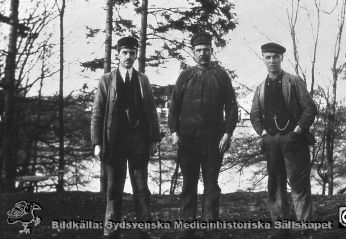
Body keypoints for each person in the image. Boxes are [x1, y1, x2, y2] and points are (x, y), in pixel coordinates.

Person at [168, 32, 238, 236]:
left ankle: (210, 228)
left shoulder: (221, 75)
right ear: (193, 52)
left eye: (206, 50)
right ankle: (187, 228)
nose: (202, 54)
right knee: (188, 182)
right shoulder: (186, 76)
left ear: (211, 50)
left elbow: (231, 107)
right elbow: (174, 107)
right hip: (187, 139)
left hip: (214, 139)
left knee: (211, 183)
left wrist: (227, 133)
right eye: (198, 50)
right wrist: (174, 132)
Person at [90, 36, 160, 239]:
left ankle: (145, 229)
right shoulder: (106, 80)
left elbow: (151, 111)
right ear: (117, 55)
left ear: (136, 55)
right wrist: (97, 142)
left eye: (132, 53)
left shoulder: (142, 80)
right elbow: (97, 112)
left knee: (141, 188)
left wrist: (154, 138)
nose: (128, 57)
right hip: (115, 142)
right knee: (114, 189)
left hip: (138, 141)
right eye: (124, 53)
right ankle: (111, 231)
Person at [250, 42, 317, 237]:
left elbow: (310, 108)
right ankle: (281, 227)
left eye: (275, 57)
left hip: (294, 141)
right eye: (268, 57)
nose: (272, 61)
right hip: (271, 142)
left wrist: (297, 130)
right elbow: (255, 115)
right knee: (275, 184)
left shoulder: (293, 82)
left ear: (281, 58)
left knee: (299, 184)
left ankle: (306, 228)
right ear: (263, 58)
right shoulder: (260, 88)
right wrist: (263, 134)